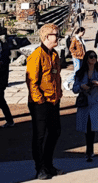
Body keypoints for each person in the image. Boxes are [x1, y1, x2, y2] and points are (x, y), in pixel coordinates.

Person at [26, 23, 64, 180]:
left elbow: (56, 76)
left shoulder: (54, 55)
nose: (58, 37)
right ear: (46, 37)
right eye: (56, 34)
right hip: (40, 102)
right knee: (40, 136)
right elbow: (31, 81)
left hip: (54, 100)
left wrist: (58, 94)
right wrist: (39, 100)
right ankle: (40, 167)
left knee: (55, 132)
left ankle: (48, 164)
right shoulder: (36, 56)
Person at [72, 50, 98, 162]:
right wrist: (81, 87)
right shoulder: (80, 73)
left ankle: (90, 150)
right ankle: (89, 150)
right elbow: (74, 88)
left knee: (92, 127)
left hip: (96, 102)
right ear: (86, 59)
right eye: (91, 57)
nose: (93, 58)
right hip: (85, 102)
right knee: (86, 127)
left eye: (95, 56)